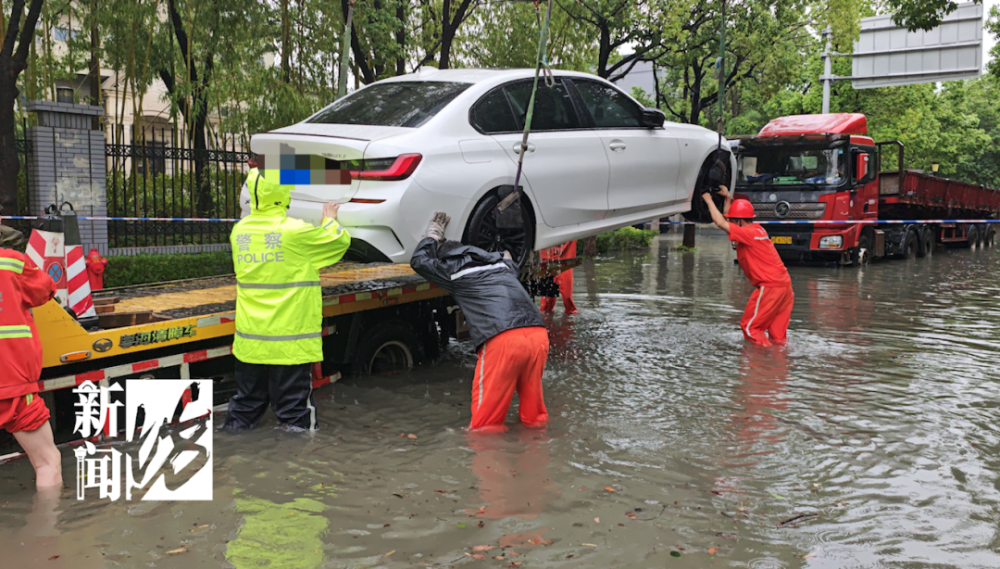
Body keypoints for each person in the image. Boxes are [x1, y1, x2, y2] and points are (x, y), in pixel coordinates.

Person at [223, 168, 351, 432]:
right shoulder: (293, 232)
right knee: (295, 417)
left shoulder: (240, 232)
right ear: (282, 193)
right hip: (288, 344)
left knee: (244, 409)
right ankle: (295, 467)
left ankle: (234, 449)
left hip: (251, 342)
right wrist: (329, 219)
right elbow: (337, 242)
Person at [410, 212, 549, 431]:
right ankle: (537, 457)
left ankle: (489, 462)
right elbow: (510, 258)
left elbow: (419, 261)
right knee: (535, 417)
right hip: (538, 335)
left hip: (504, 339)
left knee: (485, 427)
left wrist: (433, 234)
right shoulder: (502, 267)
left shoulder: (454, 271)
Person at [0, 248, 62, 490]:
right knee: (48, 462)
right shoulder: (10, 261)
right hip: (10, 379)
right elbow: (45, 290)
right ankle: (47, 526)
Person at [702, 186, 794, 346]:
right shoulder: (757, 230)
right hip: (785, 287)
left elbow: (720, 222)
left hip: (770, 287)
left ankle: (759, 363)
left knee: (751, 328)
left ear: (739, 220)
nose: (730, 221)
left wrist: (707, 198)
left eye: (733, 219)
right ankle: (778, 365)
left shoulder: (747, 234)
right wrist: (727, 199)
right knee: (778, 337)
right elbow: (729, 221)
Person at [539, 241, 577, 314]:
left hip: (566, 262)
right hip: (547, 262)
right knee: (546, 304)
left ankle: (570, 320)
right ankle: (546, 322)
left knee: (567, 297)